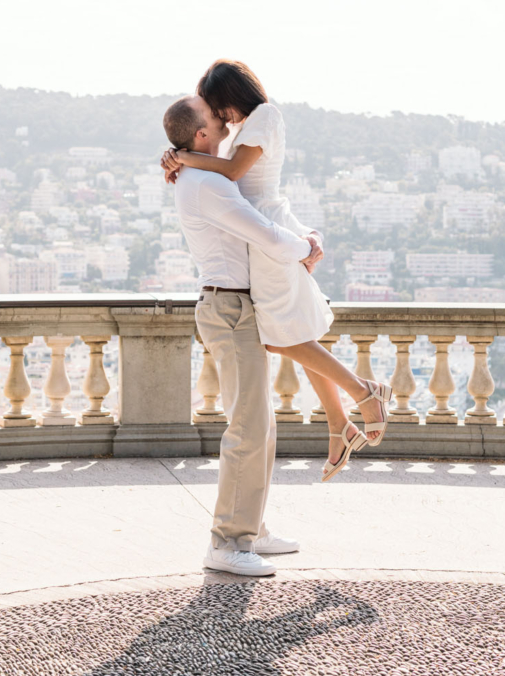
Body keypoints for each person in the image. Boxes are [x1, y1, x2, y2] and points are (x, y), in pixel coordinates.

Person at [163, 59, 392, 482]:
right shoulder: (242, 129)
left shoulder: (265, 116)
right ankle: (339, 425)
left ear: (234, 93)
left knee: (278, 336)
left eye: (220, 107)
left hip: (268, 237)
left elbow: (234, 175)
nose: (220, 117)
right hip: (263, 233)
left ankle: (365, 393)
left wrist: (185, 158)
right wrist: (184, 157)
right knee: (294, 332)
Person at [163, 93, 319, 578]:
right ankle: (227, 542)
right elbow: (264, 233)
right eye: (213, 115)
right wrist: (307, 247)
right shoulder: (206, 183)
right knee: (248, 428)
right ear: (202, 135)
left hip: (235, 306)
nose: (224, 116)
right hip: (228, 307)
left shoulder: (202, 174)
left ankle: (250, 528)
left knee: (260, 426)